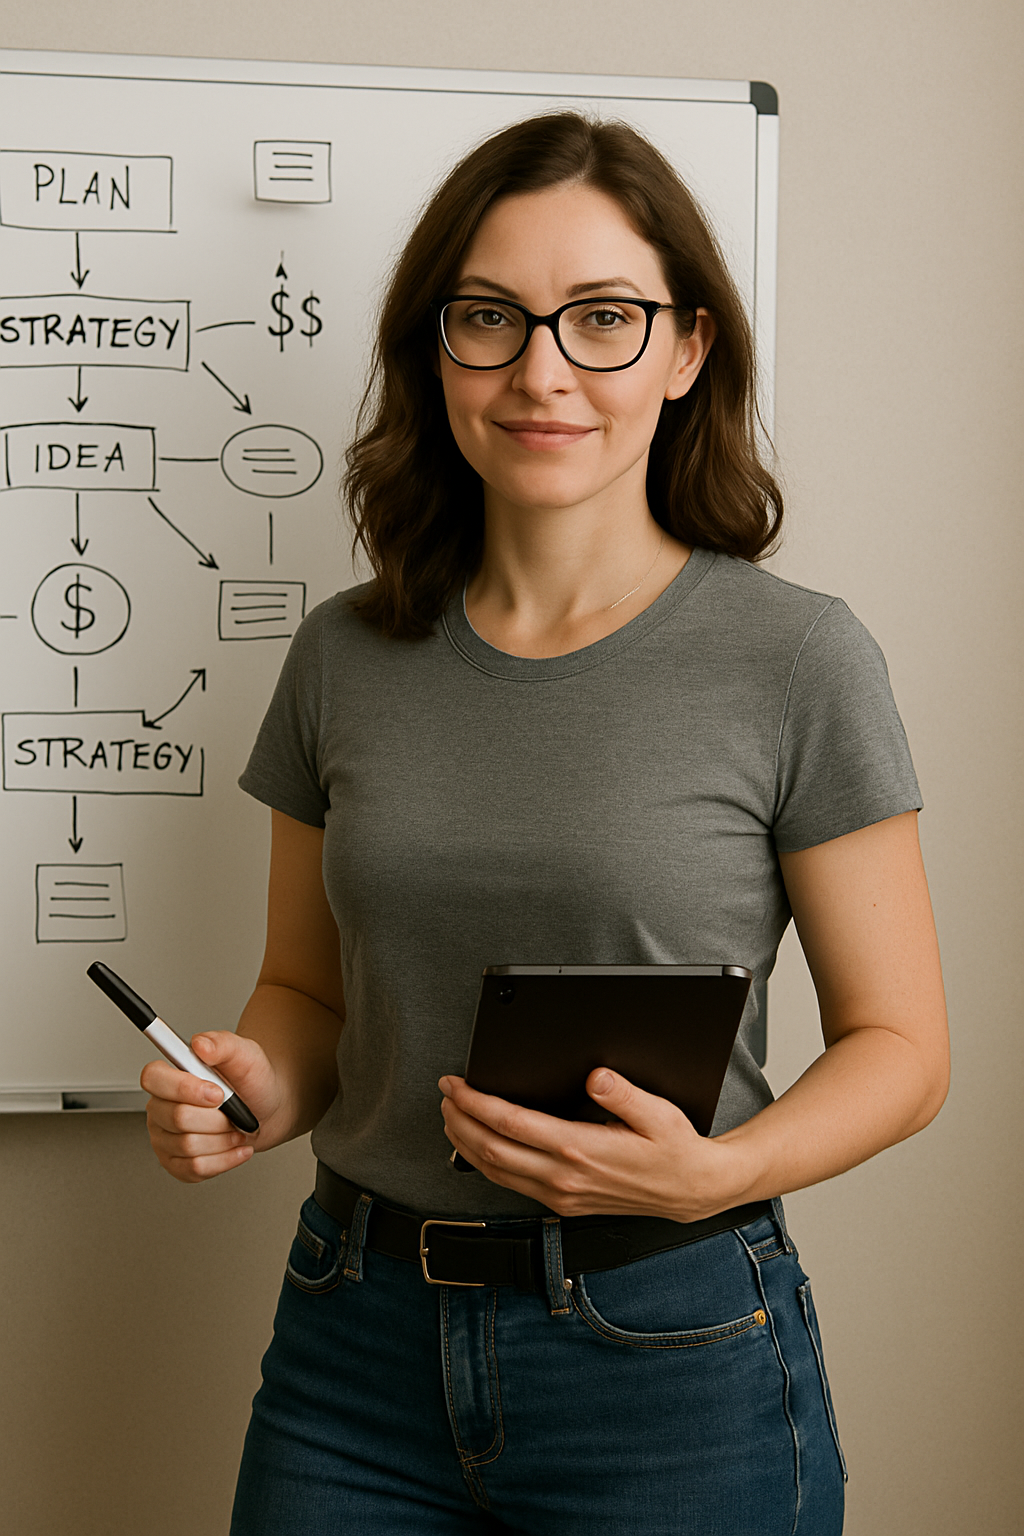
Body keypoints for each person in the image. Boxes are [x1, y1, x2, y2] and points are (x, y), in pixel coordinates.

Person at [140, 112, 949, 1535]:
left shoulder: (798, 659)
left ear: (688, 349)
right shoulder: (343, 654)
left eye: (603, 319)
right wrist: (252, 1086)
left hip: (672, 1347)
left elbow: (905, 1048)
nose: (541, 371)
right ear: (433, 348)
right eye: (490, 318)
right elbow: (307, 995)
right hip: (354, 1343)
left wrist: (724, 1170)